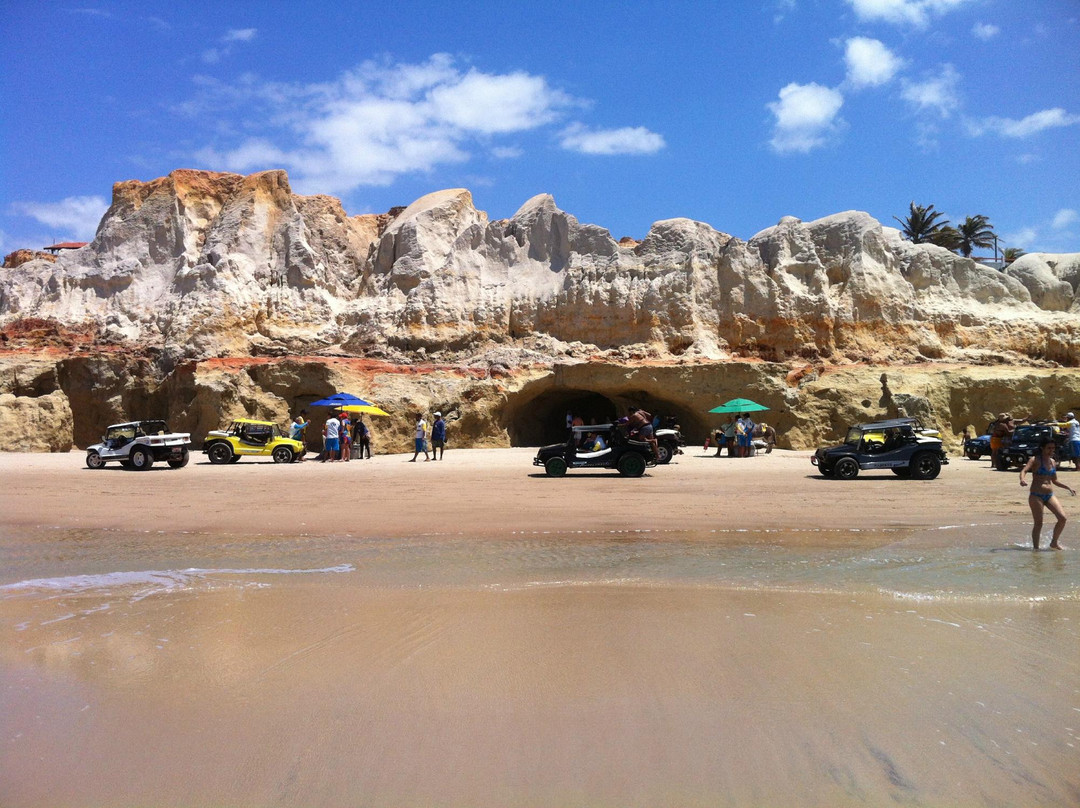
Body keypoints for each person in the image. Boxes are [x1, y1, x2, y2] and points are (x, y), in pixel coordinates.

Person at [1020, 437, 1074, 550]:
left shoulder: (1053, 462)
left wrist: (1067, 487)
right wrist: (1022, 479)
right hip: (1036, 495)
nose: (1051, 450)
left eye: (1053, 448)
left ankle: (1054, 542)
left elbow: (1054, 480)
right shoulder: (1035, 460)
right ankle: (1036, 549)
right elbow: (1024, 470)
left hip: (1049, 495)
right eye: (1049, 448)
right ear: (1042, 448)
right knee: (1039, 523)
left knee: (1062, 518)